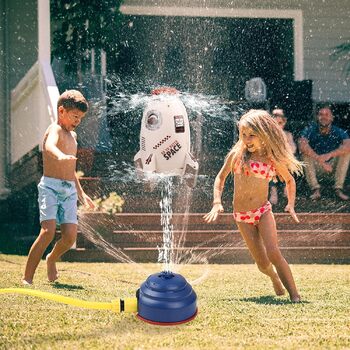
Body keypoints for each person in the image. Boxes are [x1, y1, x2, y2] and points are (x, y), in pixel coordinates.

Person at [204, 109, 303, 302]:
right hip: (242, 216)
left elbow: (290, 181)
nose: (247, 139)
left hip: (262, 211)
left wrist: (291, 205)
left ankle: (295, 295)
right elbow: (220, 177)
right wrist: (217, 202)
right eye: (243, 135)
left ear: (264, 135)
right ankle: (274, 278)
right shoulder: (236, 155)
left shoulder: (271, 159)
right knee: (262, 263)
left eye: (252, 135)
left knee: (273, 253)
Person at [23, 90, 95, 285]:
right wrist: (60, 155)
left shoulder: (73, 136)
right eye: (75, 116)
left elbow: (71, 171)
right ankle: (27, 278)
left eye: (80, 118)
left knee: (70, 236)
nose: (78, 121)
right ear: (61, 111)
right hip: (51, 187)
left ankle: (52, 259)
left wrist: (81, 194)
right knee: (48, 231)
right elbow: (49, 146)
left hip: (69, 190)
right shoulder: (54, 129)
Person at [298, 106, 350, 200]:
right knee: (304, 154)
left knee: (346, 153)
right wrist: (320, 160)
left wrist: (328, 155)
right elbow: (302, 146)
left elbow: (348, 146)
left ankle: (338, 189)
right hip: (317, 167)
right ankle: (315, 190)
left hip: (333, 168)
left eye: (327, 114)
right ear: (317, 117)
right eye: (321, 114)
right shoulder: (310, 130)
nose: (324, 117)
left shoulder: (338, 131)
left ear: (332, 117)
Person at [269, 109, 297, 205]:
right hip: (271, 161)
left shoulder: (288, 135)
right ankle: (273, 190)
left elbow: (293, 149)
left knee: (289, 163)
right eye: (275, 123)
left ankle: (287, 187)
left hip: (284, 161)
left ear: (284, 123)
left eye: (280, 123)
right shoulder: (268, 136)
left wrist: (285, 150)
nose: (278, 126)